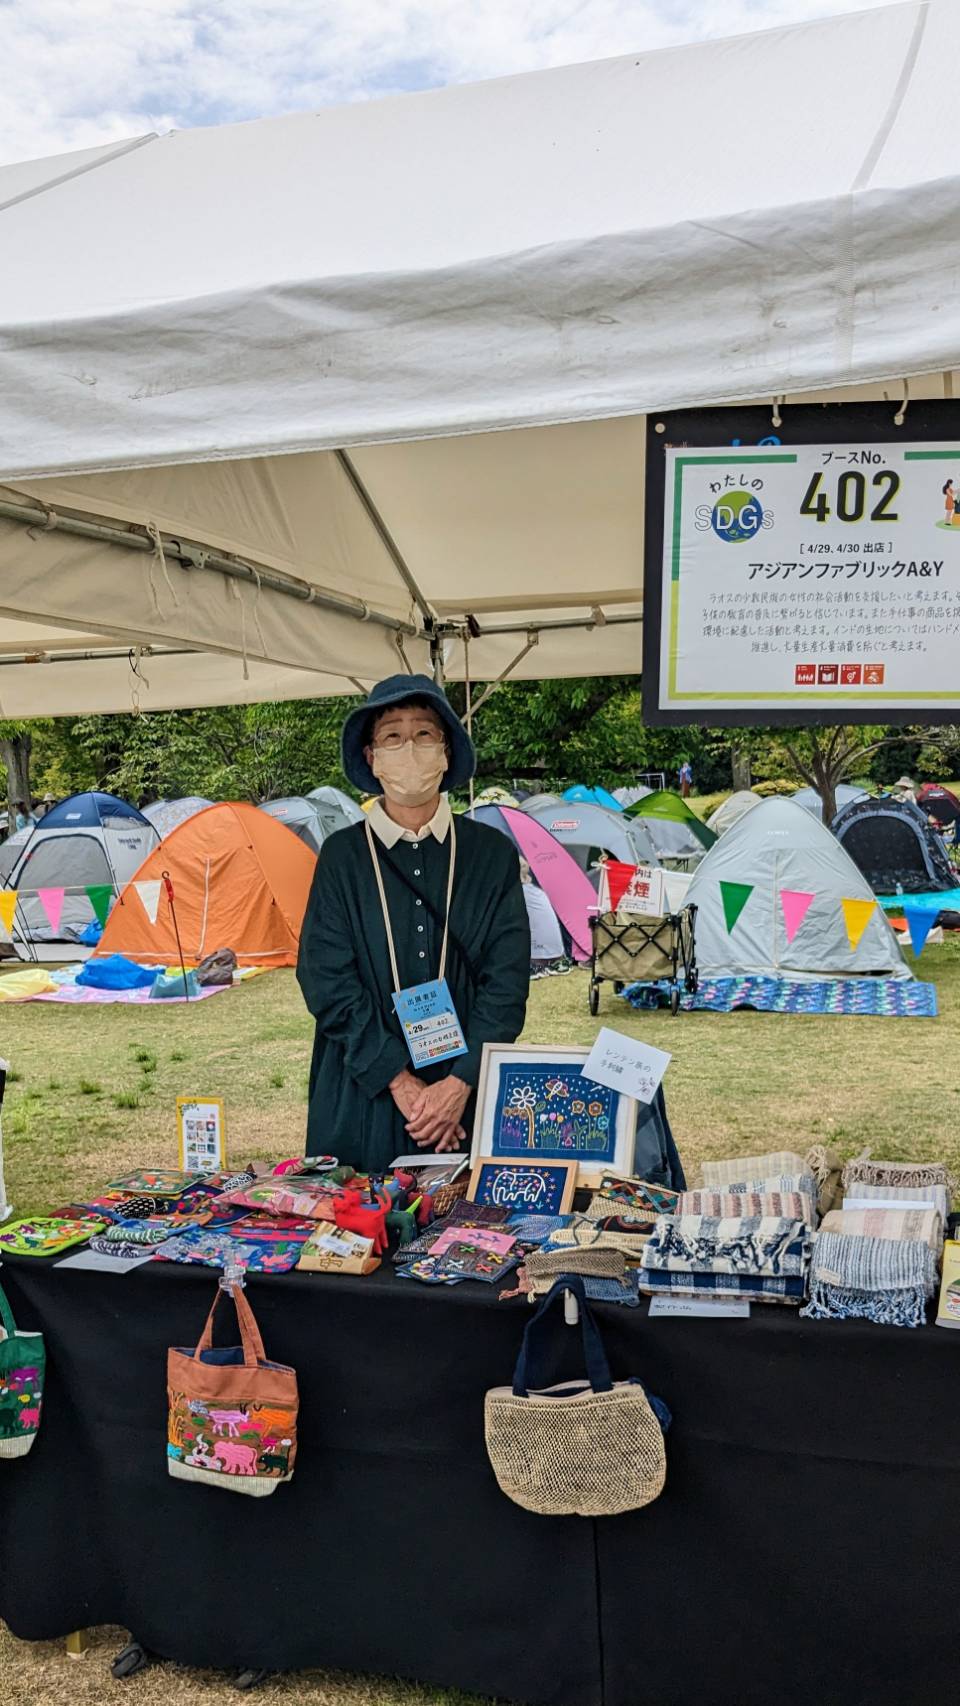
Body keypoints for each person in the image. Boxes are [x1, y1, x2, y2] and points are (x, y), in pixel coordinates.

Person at [296, 674, 531, 1172]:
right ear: (371, 757)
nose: (409, 747)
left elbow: (507, 981)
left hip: (465, 1094)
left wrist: (459, 1084)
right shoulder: (341, 857)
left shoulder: (490, 855)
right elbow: (326, 979)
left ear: (446, 751)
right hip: (364, 1089)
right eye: (392, 735)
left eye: (424, 733)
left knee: (469, 1218)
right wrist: (400, 1083)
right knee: (362, 1215)